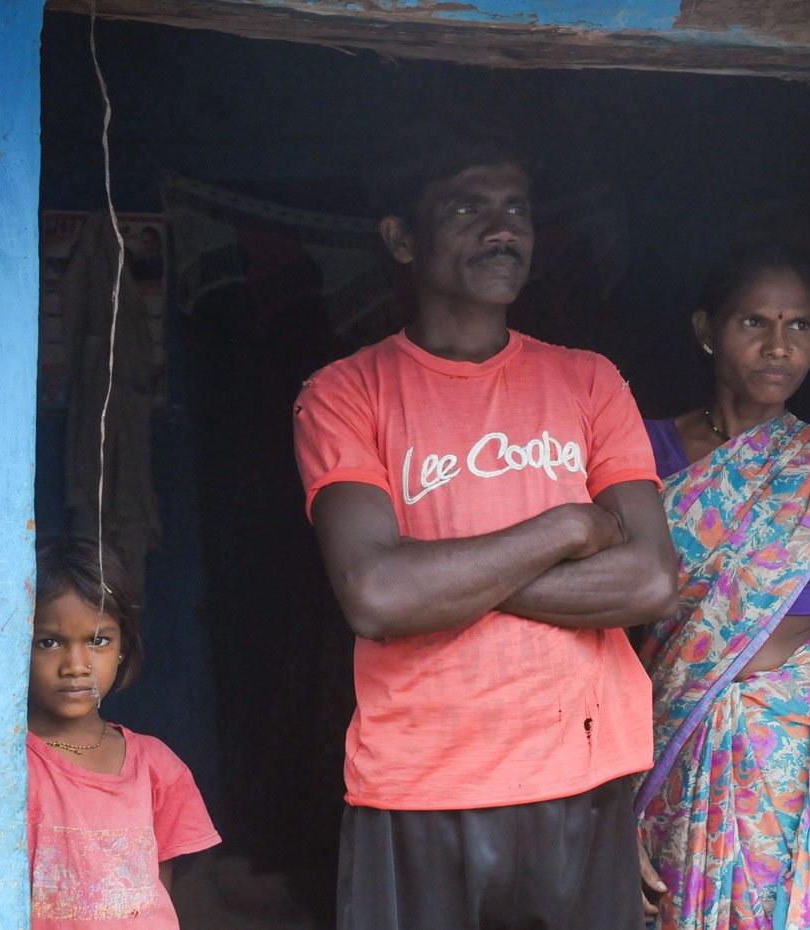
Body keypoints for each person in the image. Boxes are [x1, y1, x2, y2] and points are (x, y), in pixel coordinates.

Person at [292, 124, 680, 930]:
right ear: (402, 238)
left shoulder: (589, 380)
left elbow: (650, 581)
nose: (503, 227)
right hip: (420, 781)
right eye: (468, 208)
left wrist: (444, 581)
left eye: (516, 208)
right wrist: (569, 525)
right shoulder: (346, 393)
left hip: (582, 772)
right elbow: (375, 596)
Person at [633, 244, 810, 930]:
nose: (780, 347)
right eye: (754, 323)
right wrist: (610, 812)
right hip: (665, 758)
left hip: (788, 782)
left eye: (801, 325)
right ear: (707, 330)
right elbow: (598, 643)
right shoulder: (643, 456)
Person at [26, 537, 221, 928]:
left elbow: (156, 889)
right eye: (49, 642)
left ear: (122, 646)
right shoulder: (10, 764)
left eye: (98, 641)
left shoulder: (157, 766)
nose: (76, 665)